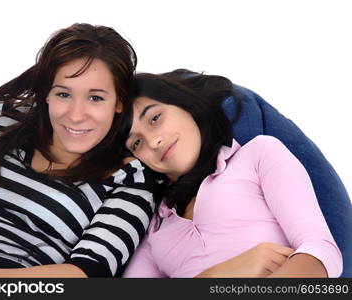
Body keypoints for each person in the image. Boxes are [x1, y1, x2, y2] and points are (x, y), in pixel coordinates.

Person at [0, 23, 165, 277]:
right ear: (46, 93)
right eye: (63, 95)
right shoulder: (2, 118)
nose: (76, 116)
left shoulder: (131, 177)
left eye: (96, 98)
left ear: (119, 102)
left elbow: (86, 274)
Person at [121, 71, 343, 277]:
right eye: (137, 143)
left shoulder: (257, 155)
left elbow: (320, 252)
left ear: (186, 106)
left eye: (155, 118)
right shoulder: (153, 228)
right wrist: (218, 274)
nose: (153, 141)